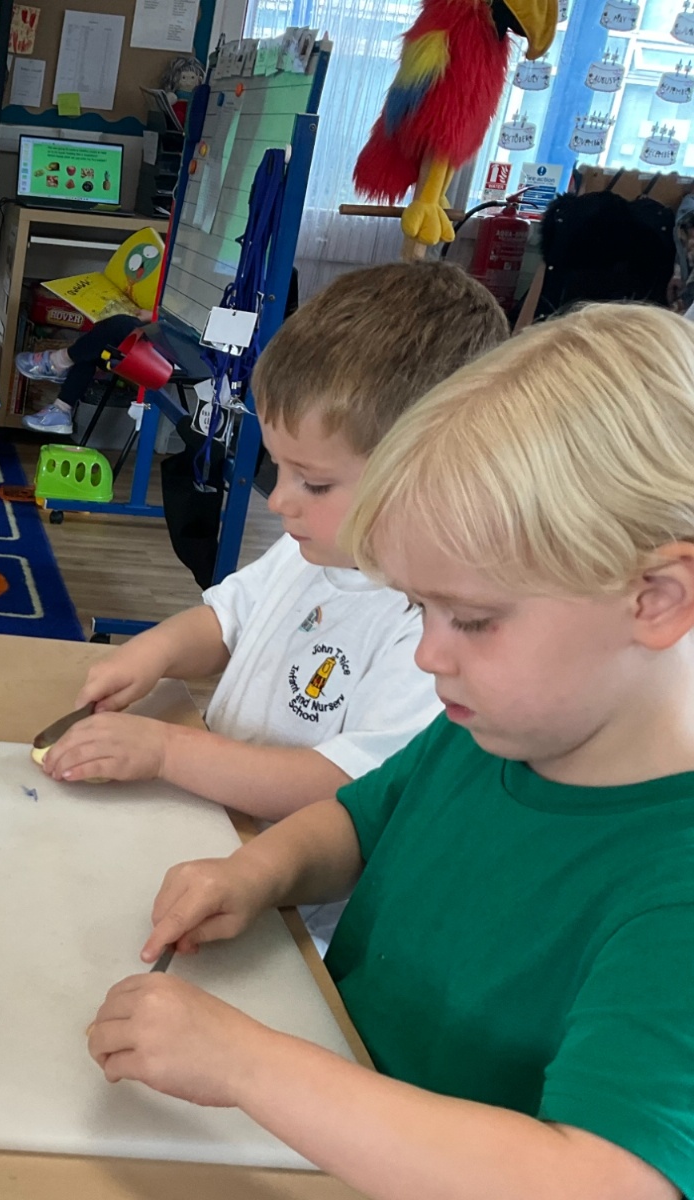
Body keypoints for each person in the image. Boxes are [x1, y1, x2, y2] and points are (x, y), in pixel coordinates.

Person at [91, 303, 694, 1200]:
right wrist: (256, 872)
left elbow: (603, 1178)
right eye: (419, 609)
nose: (426, 654)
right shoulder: (492, 730)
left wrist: (248, 1065)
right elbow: (358, 822)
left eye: (473, 619)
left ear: (656, 599)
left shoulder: (675, 883)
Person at [42, 264, 509, 949]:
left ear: (434, 477)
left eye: (314, 483)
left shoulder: (432, 627)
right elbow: (226, 620)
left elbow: (340, 788)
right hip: (212, 836)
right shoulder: (309, 548)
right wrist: (154, 653)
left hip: (291, 923)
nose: (281, 500)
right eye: (278, 468)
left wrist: (166, 750)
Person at [16, 314, 143, 437]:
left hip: (153, 361)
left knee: (121, 324)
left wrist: (147, 315)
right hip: (149, 347)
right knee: (96, 343)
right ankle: (61, 408)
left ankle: (57, 363)